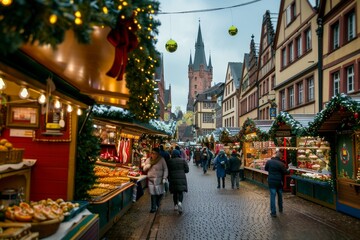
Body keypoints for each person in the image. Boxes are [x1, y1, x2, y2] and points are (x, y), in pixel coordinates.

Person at [143, 147, 168, 213]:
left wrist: (164, 178)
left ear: (158, 154)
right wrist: (147, 166)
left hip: (159, 180)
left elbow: (165, 169)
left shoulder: (161, 160)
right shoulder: (148, 160)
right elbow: (144, 169)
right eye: (152, 153)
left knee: (160, 193)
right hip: (151, 180)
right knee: (153, 194)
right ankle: (153, 208)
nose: (153, 155)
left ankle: (157, 203)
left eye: (155, 154)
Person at [264, 151, 288, 217]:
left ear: (275, 155)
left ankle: (273, 212)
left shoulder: (269, 162)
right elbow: (285, 172)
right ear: (280, 157)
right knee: (280, 195)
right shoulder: (281, 164)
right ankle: (280, 208)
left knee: (272, 196)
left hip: (271, 181)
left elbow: (266, 169)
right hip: (279, 182)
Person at [167, 149, 189, 214]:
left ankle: (175, 205)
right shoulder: (182, 160)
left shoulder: (170, 161)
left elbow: (168, 170)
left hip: (173, 178)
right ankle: (180, 202)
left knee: (175, 193)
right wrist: (182, 171)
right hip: (181, 178)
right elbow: (187, 170)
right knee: (180, 192)